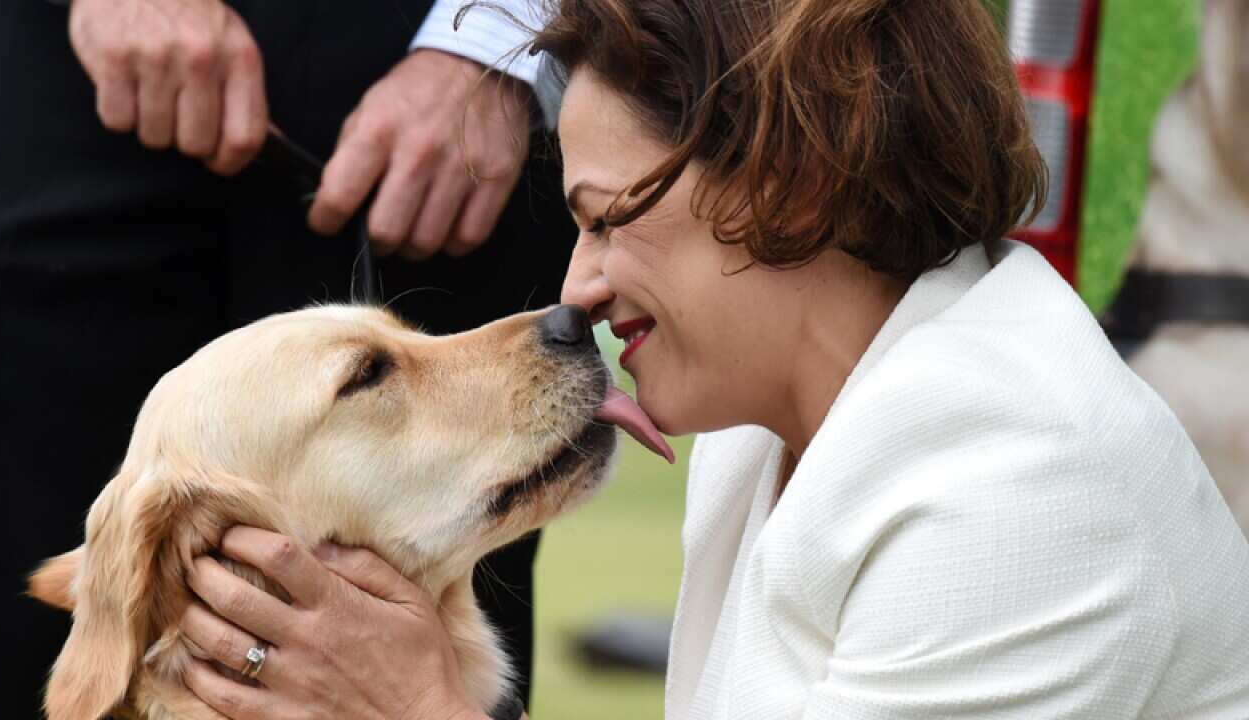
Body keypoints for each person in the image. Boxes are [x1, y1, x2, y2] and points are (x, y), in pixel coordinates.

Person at [155, 0, 1249, 718]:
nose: (574, 291)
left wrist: (423, 708)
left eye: (608, 218)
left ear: (789, 182)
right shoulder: (764, 430)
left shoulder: (1015, 500)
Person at [0, 0, 572, 716]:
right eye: (372, 373)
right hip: (70, 96)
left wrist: (499, 39)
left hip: (435, 104)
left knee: (443, 609)